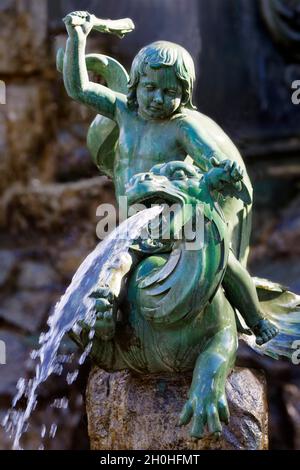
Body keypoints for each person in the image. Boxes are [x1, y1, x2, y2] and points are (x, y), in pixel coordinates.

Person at [63, 11, 278, 345]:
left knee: (228, 265)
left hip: (176, 223)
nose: (158, 99)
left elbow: (210, 156)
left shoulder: (182, 126)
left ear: (185, 94)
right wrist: (77, 36)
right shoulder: (123, 110)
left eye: (169, 92)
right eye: (150, 88)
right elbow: (78, 88)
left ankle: (256, 319)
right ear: (135, 85)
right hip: (132, 226)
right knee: (116, 267)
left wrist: (225, 168)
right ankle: (103, 324)